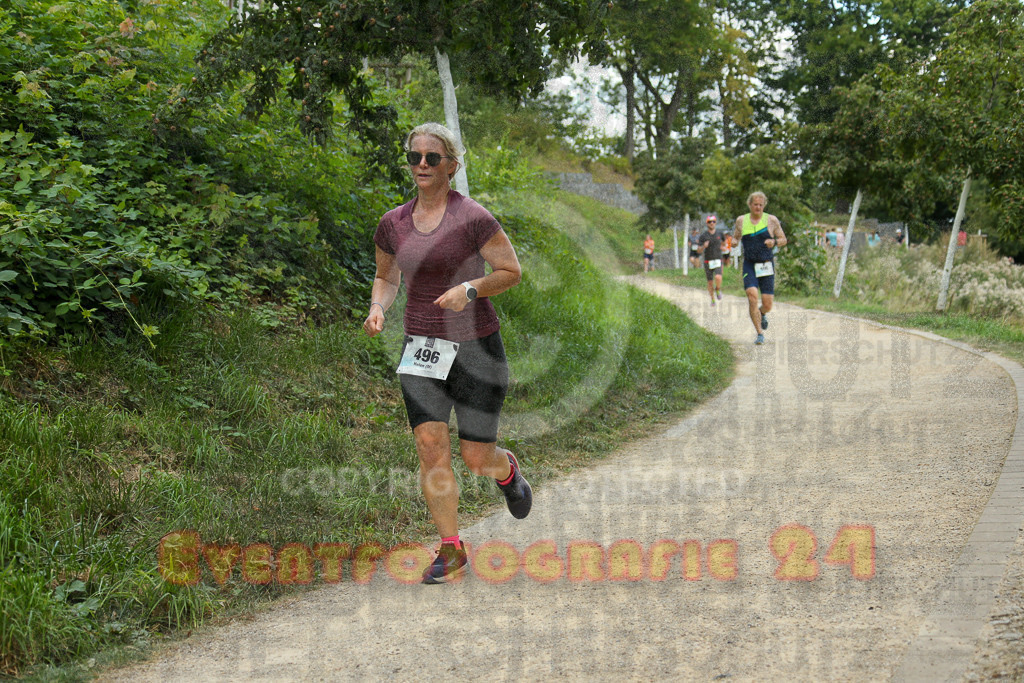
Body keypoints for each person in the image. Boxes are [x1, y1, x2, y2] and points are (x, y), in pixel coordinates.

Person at [363, 122, 532, 584]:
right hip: (420, 349)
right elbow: (387, 277)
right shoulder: (393, 223)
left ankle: (505, 469)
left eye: (431, 158)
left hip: (476, 348)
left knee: (476, 458)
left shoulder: (473, 217)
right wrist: (378, 307)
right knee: (430, 447)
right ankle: (451, 549)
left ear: (451, 167)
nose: (420, 164)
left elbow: (510, 270)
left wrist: (470, 289)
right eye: (414, 156)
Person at [732, 191, 787, 345]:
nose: (758, 207)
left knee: (768, 304)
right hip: (749, 263)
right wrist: (735, 242)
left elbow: (783, 239)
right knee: (752, 296)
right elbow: (736, 236)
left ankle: (761, 313)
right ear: (750, 205)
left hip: (766, 265)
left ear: (764, 206)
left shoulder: (771, 220)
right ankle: (759, 333)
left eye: (761, 205)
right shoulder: (741, 221)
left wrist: (774, 242)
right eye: (755, 204)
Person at [697, 215, 724, 305]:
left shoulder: (720, 233)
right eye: (710, 222)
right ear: (707, 223)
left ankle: (718, 289)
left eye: (713, 221)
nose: (712, 223)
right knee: (710, 282)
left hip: (718, 259)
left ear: (715, 223)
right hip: (708, 261)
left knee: (718, 277)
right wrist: (703, 246)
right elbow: (698, 250)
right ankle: (712, 299)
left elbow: (724, 243)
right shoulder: (703, 236)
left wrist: (723, 247)